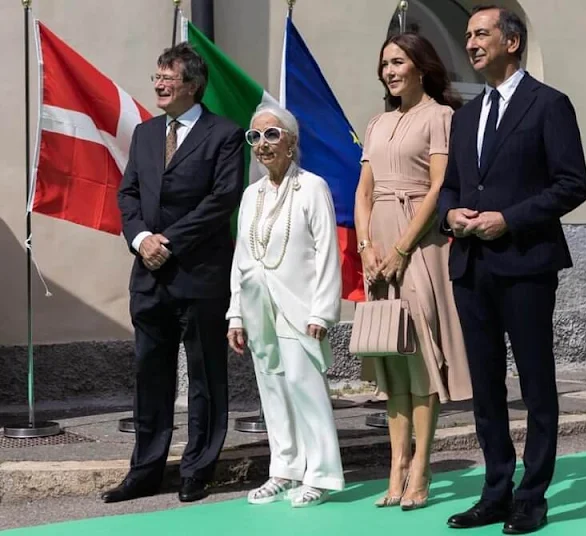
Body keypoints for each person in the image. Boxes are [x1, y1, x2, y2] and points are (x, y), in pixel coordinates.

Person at [438, 5, 586, 533]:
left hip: (525, 264)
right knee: (484, 386)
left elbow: (572, 184)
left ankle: (533, 495)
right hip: (471, 265)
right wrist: (449, 213)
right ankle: (495, 489)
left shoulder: (549, 106)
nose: (472, 43)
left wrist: (510, 219)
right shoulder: (465, 115)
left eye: (481, 33)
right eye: (468, 36)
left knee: (535, 382)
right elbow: (453, 186)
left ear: (513, 41)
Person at [103, 43, 245, 504]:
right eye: (157, 77)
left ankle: (197, 469)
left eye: (168, 77)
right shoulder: (146, 134)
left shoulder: (224, 134)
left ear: (193, 85)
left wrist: (171, 241)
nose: (160, 85)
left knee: (205, 376)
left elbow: (223, 199)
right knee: (150, 374)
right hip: (148, 275)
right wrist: (141, 239)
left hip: (199, 274)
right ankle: (144, 471)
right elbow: (127, 195)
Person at [354, 33, 473, 511]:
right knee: (391, 356)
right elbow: (363, 192)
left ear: (421, 67)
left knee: (421, 355)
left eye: (398, 62)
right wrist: (366, 246)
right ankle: (396, 464)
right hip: (377, 243)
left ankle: (421, 465)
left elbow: (440, 185)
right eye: (384, 63)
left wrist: (403, 247)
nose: (390, 71)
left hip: (420, 244)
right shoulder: (377, 122)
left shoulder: (441, 117)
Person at [226, 104, 345, 507]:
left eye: (272, 134)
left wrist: (322, 311)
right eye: (255, 137)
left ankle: (322, 474)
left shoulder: (313, 187)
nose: (262, 144)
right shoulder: (250, 195)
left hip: (300, 307)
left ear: (291, 142)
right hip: (260, 307)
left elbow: (328, 252)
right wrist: (236, 314)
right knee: (273, 389)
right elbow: (241, 258)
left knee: (304, 387)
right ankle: (284, 468)